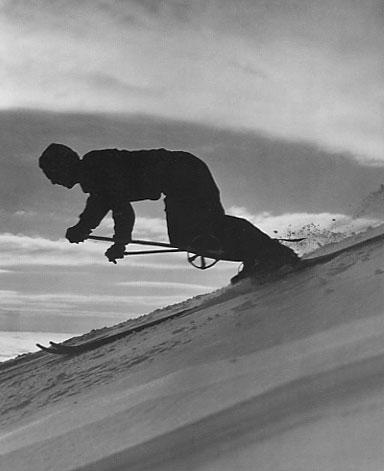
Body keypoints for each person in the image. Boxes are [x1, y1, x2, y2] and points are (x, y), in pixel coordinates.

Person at [39, 143, 298, 283]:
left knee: (198, 230)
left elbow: (121, 209)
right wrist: (82, 229)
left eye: (52, 175)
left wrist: (120, 243)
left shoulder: (98, 167)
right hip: (182, 174)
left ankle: (271, 253)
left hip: (182, 174)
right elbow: (99, 205)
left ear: (64, 167)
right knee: (194, 234)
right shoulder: (94, 174)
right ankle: (258, 255)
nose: (52, 182)